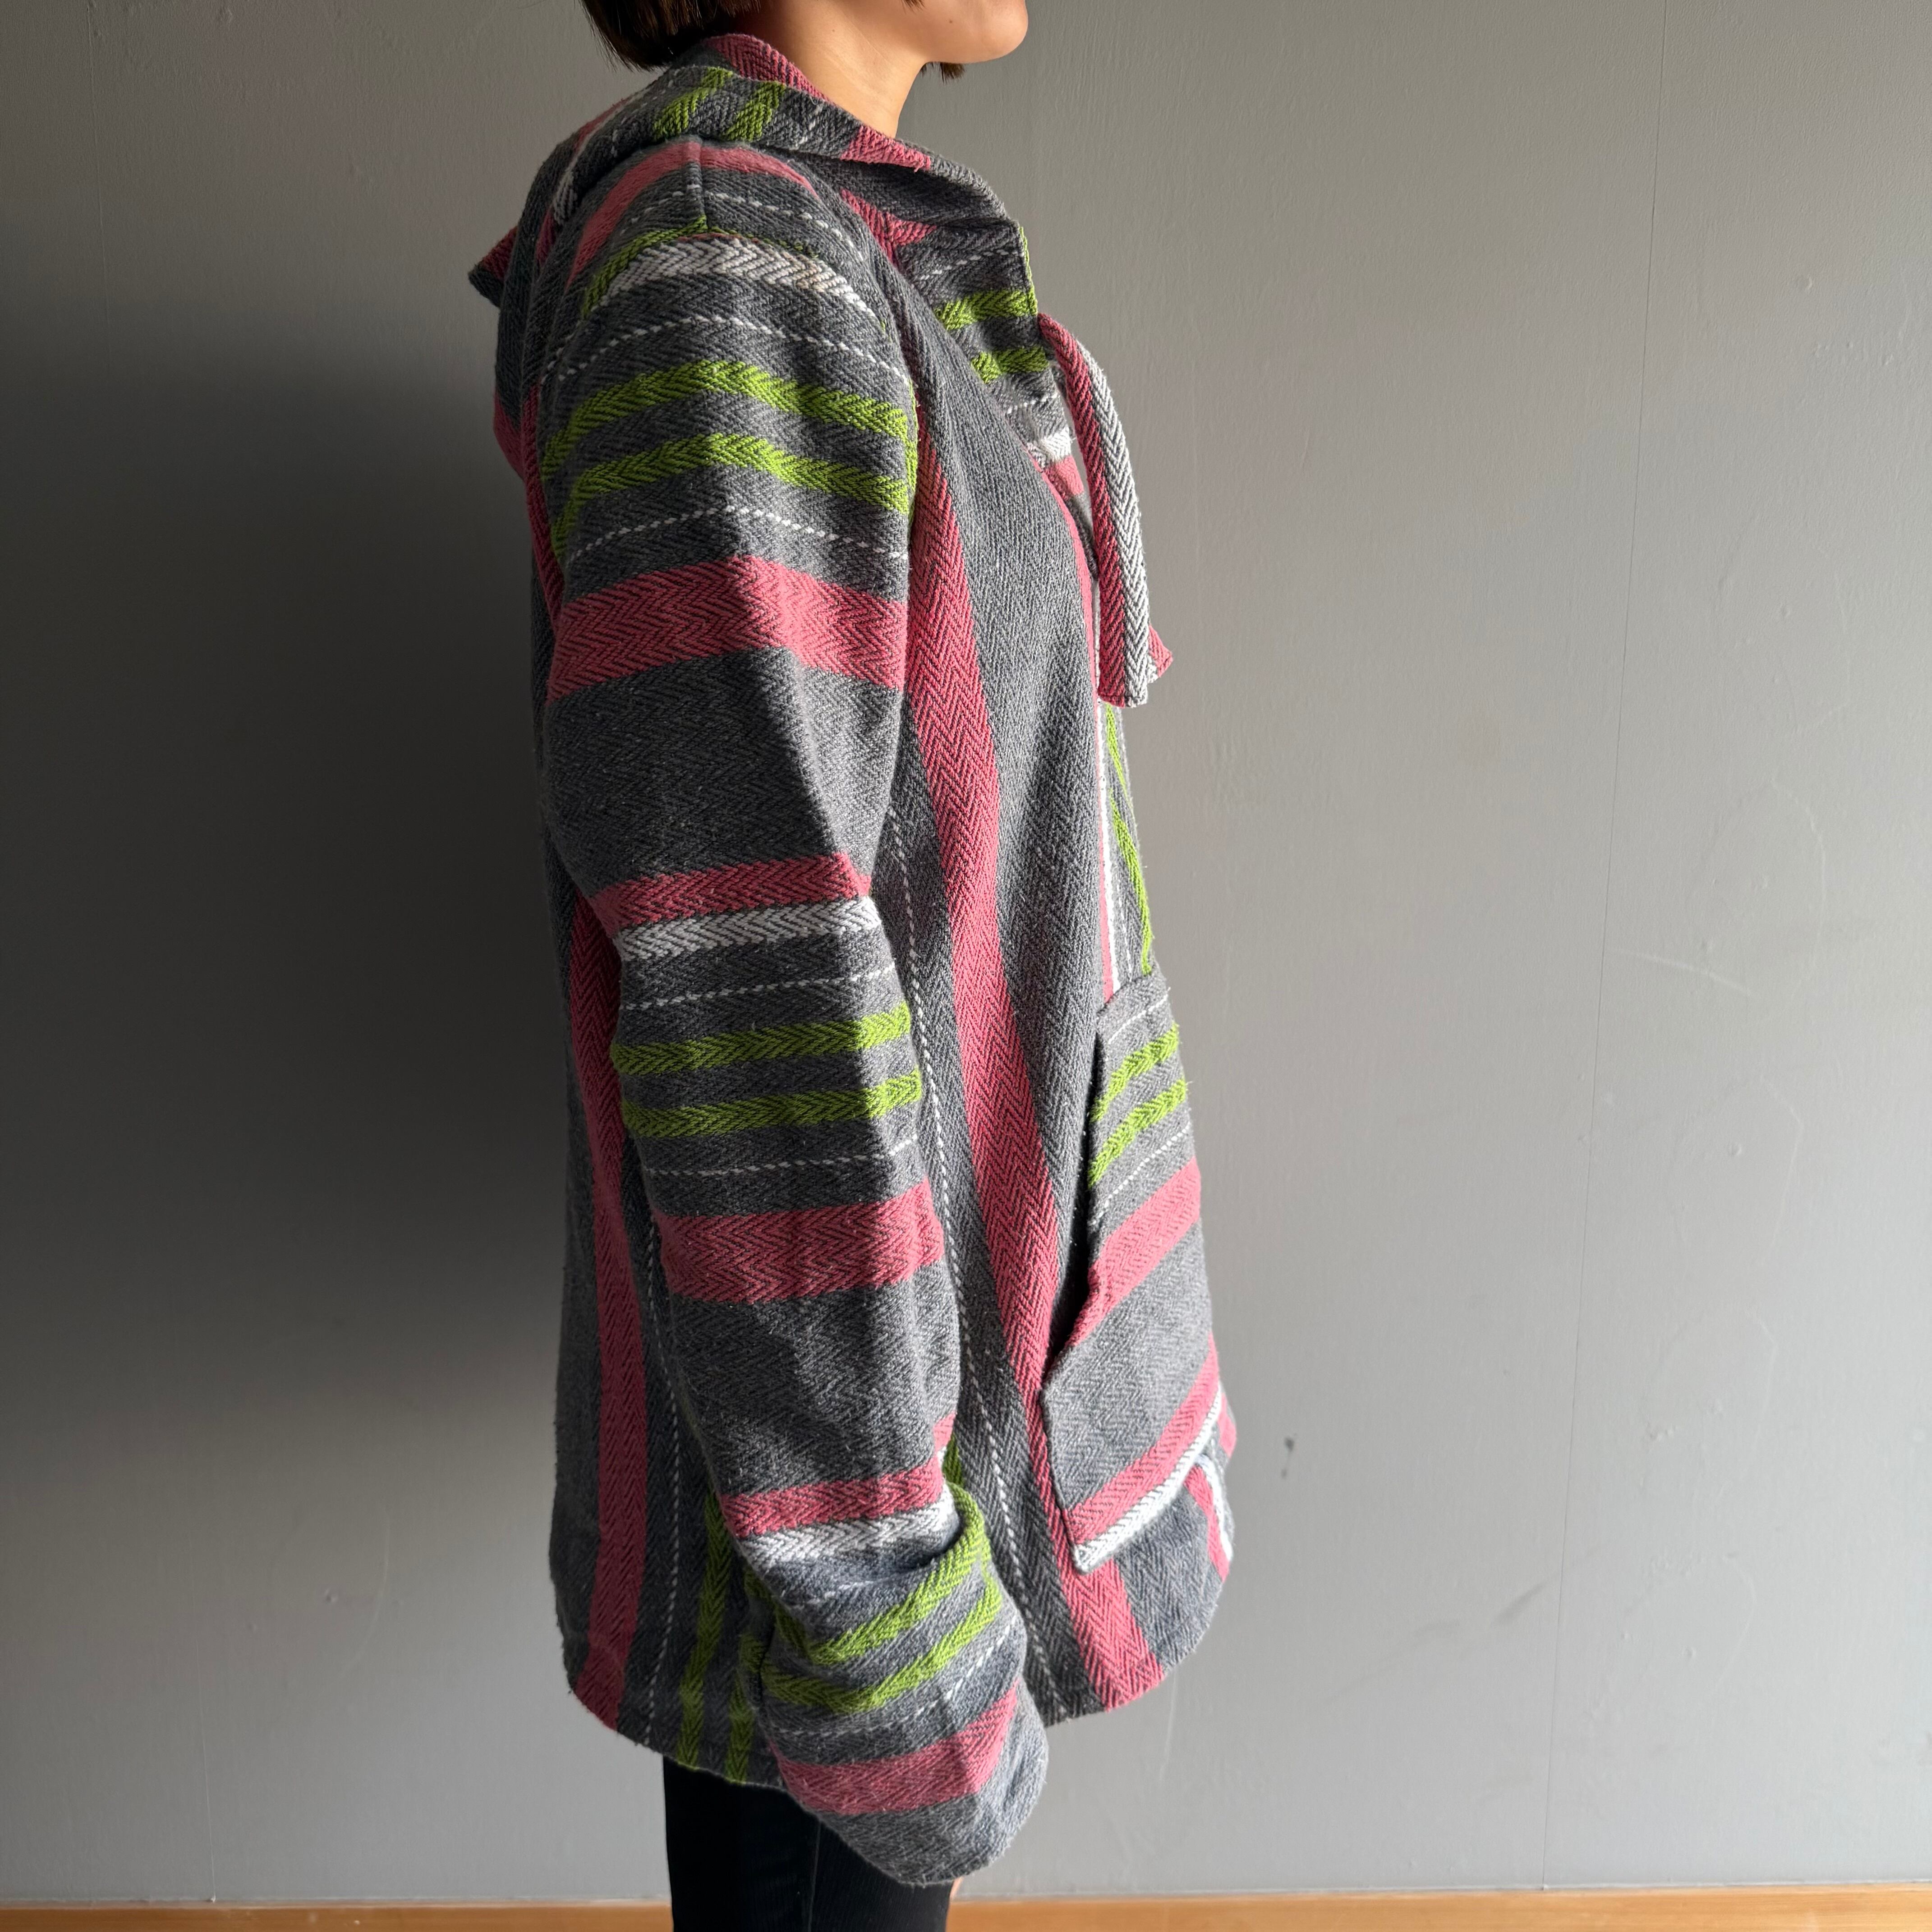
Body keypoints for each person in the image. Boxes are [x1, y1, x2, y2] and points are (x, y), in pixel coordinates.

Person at [471, 2, 1237, 1923]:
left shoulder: (838, 247)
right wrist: (882, 1598)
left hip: (924, 1451)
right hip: (865, 1543)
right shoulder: (722, 267)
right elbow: (756, 1010)